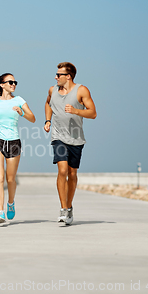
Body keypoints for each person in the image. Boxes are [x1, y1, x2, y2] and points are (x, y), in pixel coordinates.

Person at [44, 62, 97, 225]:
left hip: (76, 138)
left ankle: (69, 206)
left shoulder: (81, 90)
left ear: (68, 76)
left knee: (72, 174)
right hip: (58, 136)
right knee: (62, 170)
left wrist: (76, 111)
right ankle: (63, 209)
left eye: (59, 75)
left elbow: (93, 113)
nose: (55, 77)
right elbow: (48, 103)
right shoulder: (52, 90)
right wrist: (48, 120)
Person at [0, 73, 35, 223]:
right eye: (10, 82)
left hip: (13, 142)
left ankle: (10, 203)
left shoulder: (19, 100)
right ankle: (0, 212)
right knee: (0, 177)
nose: (13, 84)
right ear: (2, 85)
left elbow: (33, 118)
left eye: (15, 82)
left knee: (10, 179)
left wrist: (22, 113)